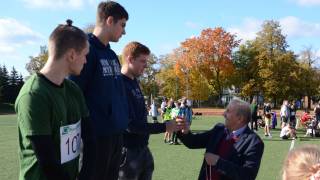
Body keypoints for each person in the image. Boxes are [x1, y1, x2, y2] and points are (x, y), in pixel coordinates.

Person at [15, 20, 95, 180]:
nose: (86, 61)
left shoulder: (73, 90)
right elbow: (47, 161)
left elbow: (90, 136)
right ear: (72, 55)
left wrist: (85, 174)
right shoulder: (33, 95)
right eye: (85, 55)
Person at [68, 1, 129, 180]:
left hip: (115, 136)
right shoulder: (85, 50)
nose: (124, 31)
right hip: (95, 138)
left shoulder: (111, 54)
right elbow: (74, 94)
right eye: (122, 25)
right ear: (110, 20)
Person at [119, 41, 179, 180]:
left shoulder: (134, 81)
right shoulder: (119, 84)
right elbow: (130, 125)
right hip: (128, 150)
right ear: (130, 59)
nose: (146, 65)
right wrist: (165, 126)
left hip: (142, 148)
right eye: (142, 61)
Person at [178, 99, 264, 180]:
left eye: (228, 111)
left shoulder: (254, 142)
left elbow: (247, 175)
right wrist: (185, 131)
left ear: (240, 119)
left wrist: (218, 162)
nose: (223, 114)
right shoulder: (219, 129)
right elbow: (193, 142)